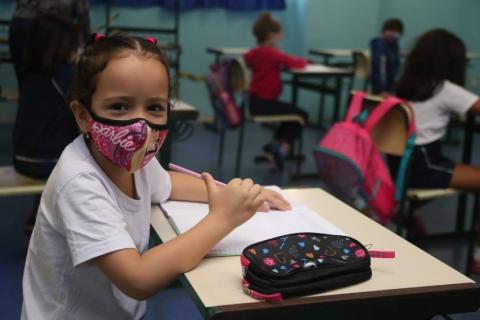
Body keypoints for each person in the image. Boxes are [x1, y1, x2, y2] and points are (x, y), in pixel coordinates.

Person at [21, 33, 291, 320]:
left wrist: (237, 198)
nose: (140, 126)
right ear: (83, 115)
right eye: (120, 106)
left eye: (154, 108)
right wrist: (222, 218)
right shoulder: (78, 181)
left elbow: (168, 183)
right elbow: (138, 279)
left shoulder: (134, 159)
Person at [396, 29, 480, 274]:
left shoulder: (405, 84)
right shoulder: (444, 88)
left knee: (463, 170)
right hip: (423, 165)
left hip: (400, 164)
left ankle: (403, 214)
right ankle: (478, 255)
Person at [12, 13, 83, 179]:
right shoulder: (68, 76)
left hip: (21, 158)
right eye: (75, 45)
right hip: (52, 161)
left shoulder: (28, 73)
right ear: (64, 46)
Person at [244, 12, 308, 170]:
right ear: (271, 35)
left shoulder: (254, 53)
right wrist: (306, 61)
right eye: (280, 34)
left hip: (254, 102)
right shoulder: (271, 53)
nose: (281, 37)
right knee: (301, 115)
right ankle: (283, 149)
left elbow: (254, 60)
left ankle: (272, 147)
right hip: (264, 104)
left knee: (290, 116)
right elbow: (296, 63)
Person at [8, 0, 90, 88]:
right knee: (57, 81)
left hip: (20, 22)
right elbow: (82, 18)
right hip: (52, 31)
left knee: (26, 82)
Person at [369, 18, 403, 95]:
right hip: (381, 88)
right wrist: (382, 90)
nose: (393, 34)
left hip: (391, 86)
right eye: (391, 30)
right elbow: (380, 70)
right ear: (383, 31)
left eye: (396, 31)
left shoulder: (395, 47)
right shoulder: (380, 47)